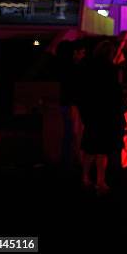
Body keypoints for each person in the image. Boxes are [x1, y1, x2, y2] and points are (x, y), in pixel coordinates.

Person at [77, 40, 127, 195]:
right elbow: (115, 92)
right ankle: (100, 181)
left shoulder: (87, 68)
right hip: (107, 114)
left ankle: (85, 177)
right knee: (102, 150)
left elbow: (83, 92)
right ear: (110, 54)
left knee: (90, 149)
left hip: (92, 114)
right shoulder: (112, 70)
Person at [57, 39, 86, 169]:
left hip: (67, 103)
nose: (84, 55)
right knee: (72, 133)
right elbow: (75, 89)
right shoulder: (74, 69)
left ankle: (67, 161)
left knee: (69, 133)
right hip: (72, 104)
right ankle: (71, 161)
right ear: (75, 53)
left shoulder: (64, 67)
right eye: (82, 53)